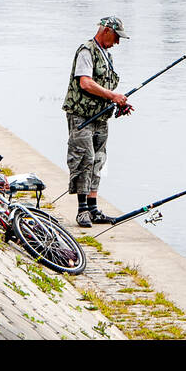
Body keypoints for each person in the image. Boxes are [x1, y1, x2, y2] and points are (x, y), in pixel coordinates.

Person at [62, 16, 133, 227]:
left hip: (100, 118)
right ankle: (82, 210)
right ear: (106, 31)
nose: (118, 42)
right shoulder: (86, 51)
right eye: (116, 37)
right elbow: (85, 83)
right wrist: (113, 96)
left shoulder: (107, 55)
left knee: (98, 160)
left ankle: (93, 209)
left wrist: (118, 103)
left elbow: (102, 87)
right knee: (85, 159)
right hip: (81, 117)